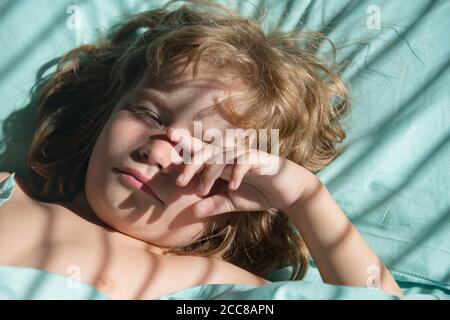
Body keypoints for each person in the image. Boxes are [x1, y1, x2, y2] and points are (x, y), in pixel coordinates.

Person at [0, 0, 402, 299]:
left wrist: (304, 197)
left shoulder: (214, 283)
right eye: (147, 113)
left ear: (239, 196)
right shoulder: (8, 195)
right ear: (104, 115)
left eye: (206, 152)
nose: (158, 153)